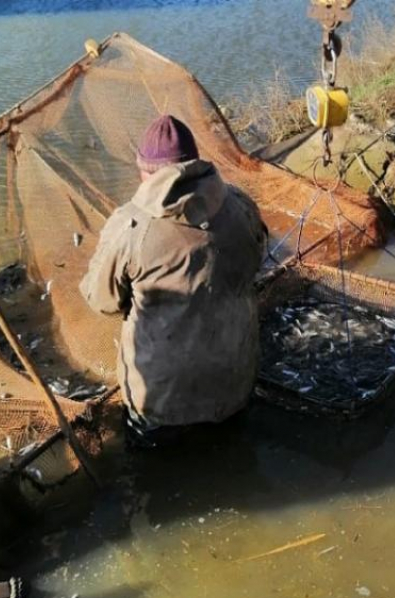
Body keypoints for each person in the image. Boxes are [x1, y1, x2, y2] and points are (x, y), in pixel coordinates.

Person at [80, 115, 267, 445]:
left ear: (145, 172)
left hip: (163, 404)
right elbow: (257, 257)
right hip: (234, 383)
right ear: (196, 164)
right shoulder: (238, 204)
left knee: (155, 479)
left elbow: (101, 300)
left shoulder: (131, 227)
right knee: (231, 453)